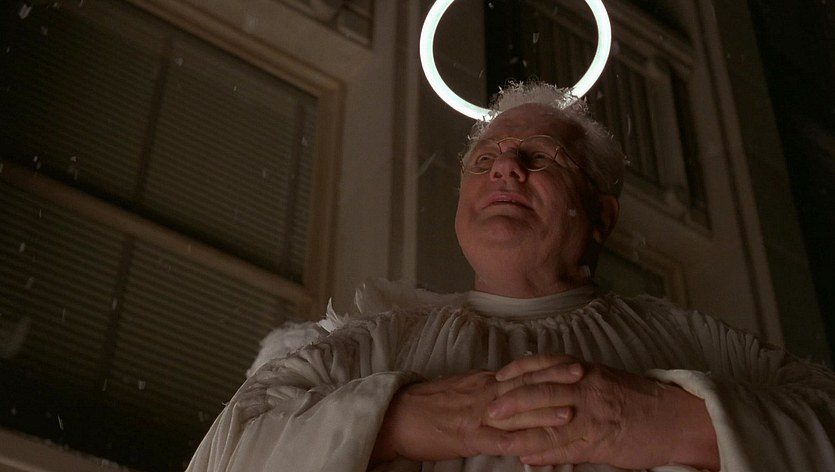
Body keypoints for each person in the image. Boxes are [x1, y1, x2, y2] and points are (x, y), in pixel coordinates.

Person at [186, 82, 835, 471]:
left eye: (538, 157)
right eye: (484, 160)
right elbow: (225, 454)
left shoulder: (698, 344)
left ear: (601, 214)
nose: (504, 169)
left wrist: (675, 421)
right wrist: (393, 420)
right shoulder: (373, 344)